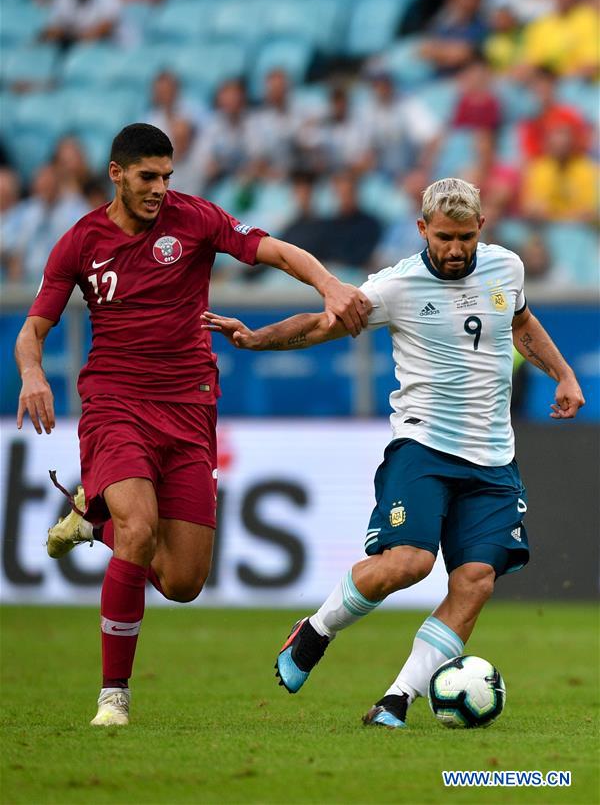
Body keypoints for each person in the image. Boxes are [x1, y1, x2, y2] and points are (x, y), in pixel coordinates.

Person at [14, 123, 370, 728]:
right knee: (139, 526)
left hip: (188, 408)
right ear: (116, 173)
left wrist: (331, 284)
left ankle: (89, 518)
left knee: (182, 581)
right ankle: (113, 697)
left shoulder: (196, 218)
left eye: (167, 176)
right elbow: (33, 329)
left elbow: (277, 250)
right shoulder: (78, 243)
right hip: (115, 400)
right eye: (147, 176)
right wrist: (32, 374)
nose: (159, 188)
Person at [202, 176, 585, 728]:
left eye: (465, 239)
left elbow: (521, 323)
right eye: (443, 238)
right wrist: (259, 338)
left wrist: (564, 374)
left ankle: (397, 699)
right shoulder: (396, 286)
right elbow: (323, 323)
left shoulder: (507, 268)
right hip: (424, 446)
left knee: (475, 580)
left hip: (495, 458)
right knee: (408, 563)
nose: (455, 250)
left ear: (482, 228)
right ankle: (315, 632)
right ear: (422, 229)